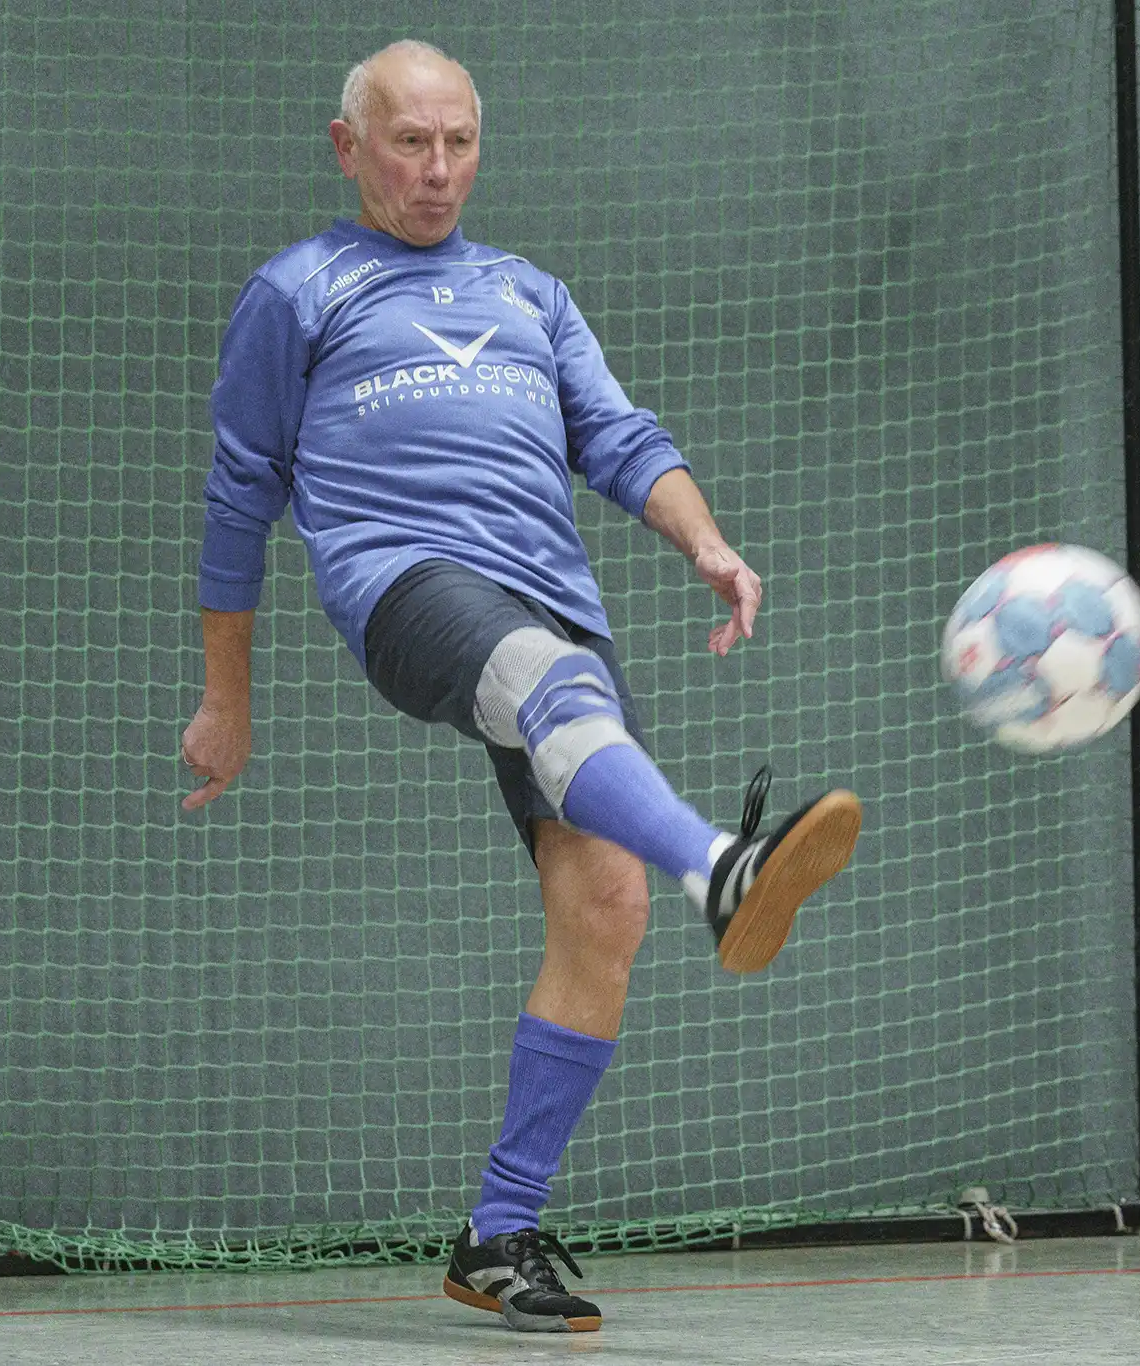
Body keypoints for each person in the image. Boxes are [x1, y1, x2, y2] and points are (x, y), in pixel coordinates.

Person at [177, 39, 860, 1335]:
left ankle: (499, 1230)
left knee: (604, 902)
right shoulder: (300, 291)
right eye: (409, 143)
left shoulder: (529, 293)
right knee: (545, 684)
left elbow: (618, 435)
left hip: (555, 604)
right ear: (348, 148)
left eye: (459, 144)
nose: (437, 171)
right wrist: (229, 695)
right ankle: (722, 864)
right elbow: (237, 493)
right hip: (408, 588)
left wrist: (705, 540)